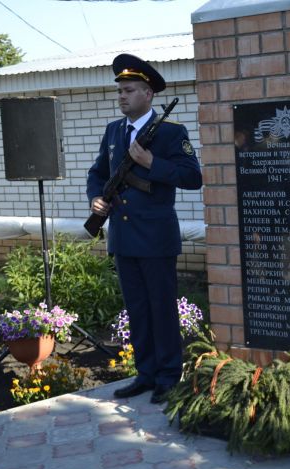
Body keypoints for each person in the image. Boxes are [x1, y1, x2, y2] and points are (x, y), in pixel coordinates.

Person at [87, 54, 202, 404]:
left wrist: (152, 163)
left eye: (130, 90)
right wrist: (96, 199)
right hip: (123, 239)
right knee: (137, 309)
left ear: (148, 94)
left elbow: (193, 178)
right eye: (120, 90)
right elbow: (97, 173)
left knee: (161, 308)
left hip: (155, 237)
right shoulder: (113, 131)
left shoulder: (171, 133)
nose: (122, 96)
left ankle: (169, 375)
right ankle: (146, 373)